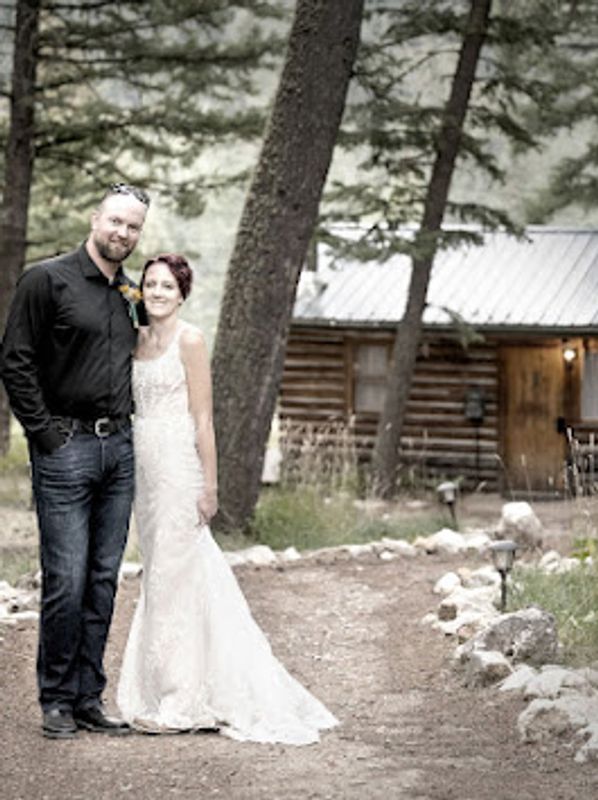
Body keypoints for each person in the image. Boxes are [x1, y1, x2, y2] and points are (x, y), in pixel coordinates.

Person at [117, 253, 338, 745]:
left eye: (167, 287)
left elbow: (202, 418)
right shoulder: (136, 340)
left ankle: (184, 699)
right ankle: (162, 687)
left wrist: (209, 485)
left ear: (182, 293)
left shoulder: (189, 340)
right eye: (150, 284)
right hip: (145, 473)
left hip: (179, 468)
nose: (156, 293)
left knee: (179, 573)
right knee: (161, 576)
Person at [0, 183, 151, 739]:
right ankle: (56, 699)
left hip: (120, 452)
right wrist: (45, 435)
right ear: (96, 218)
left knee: (104, 578)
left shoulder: (129, 293)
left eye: (133, 227)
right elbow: (14, 361)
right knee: (66, 578)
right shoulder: (47, 280)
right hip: (66, 449)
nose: (122, 233)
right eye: (115, 221)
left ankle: (89, 696)